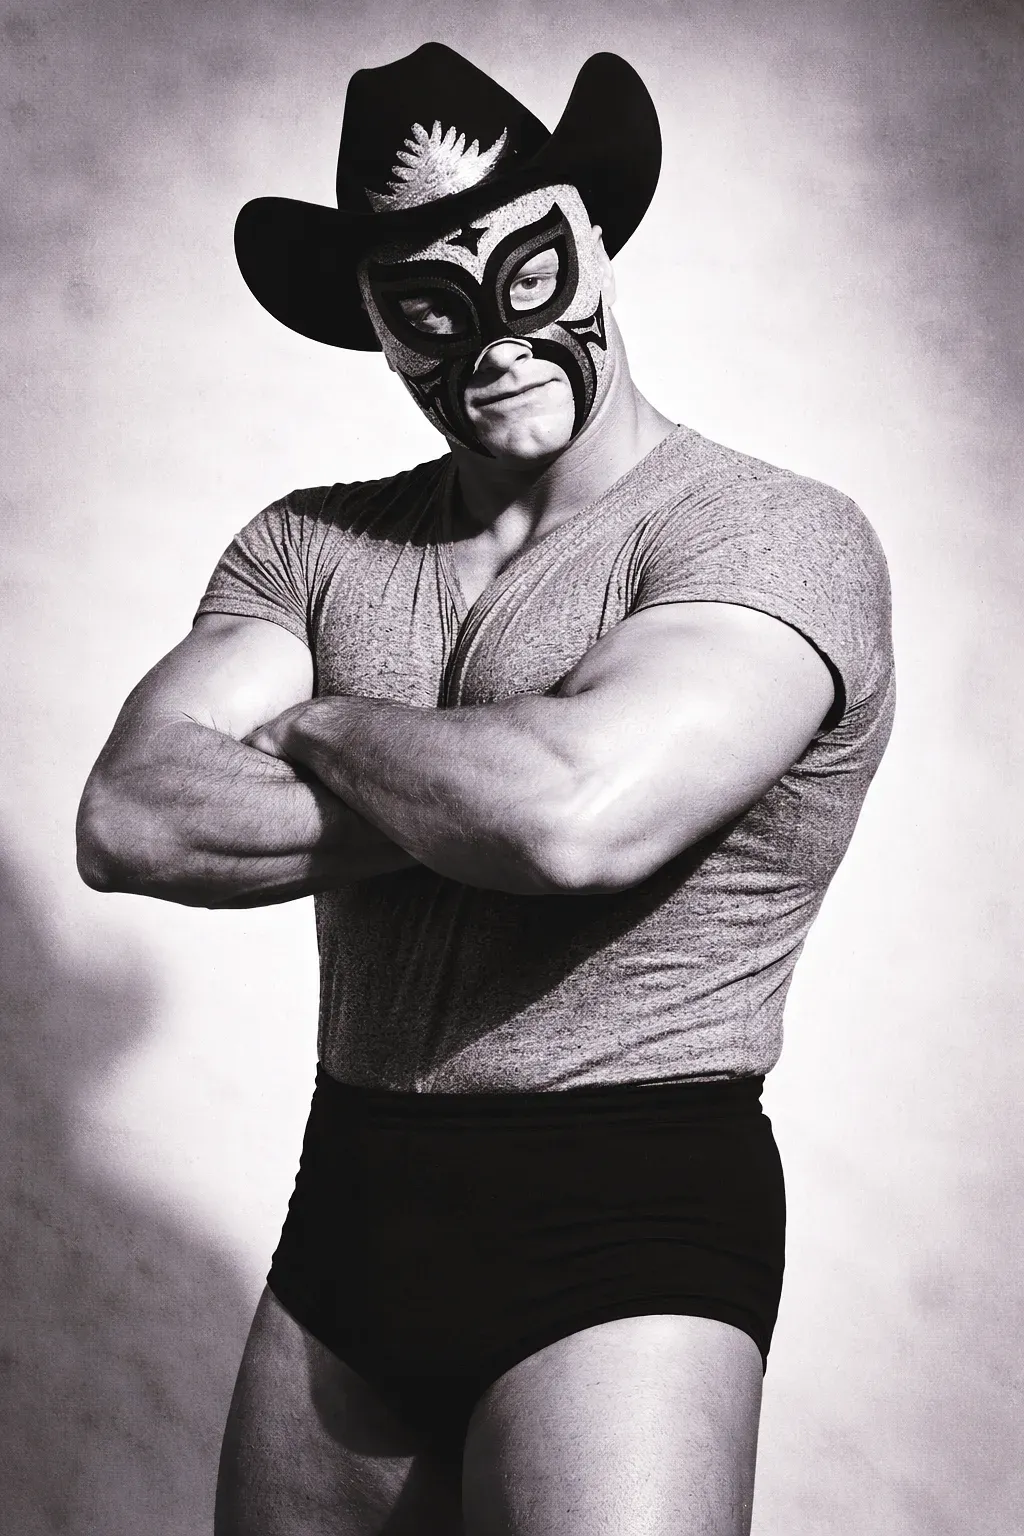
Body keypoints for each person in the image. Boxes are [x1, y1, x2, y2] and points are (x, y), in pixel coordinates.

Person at [76, 42, 895, 1536]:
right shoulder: (307, 547)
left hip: (625, 1216)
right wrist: (466, 780)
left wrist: (316, 718)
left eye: (524, 272)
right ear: (377, 329)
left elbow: (570, 821)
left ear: (593, 241)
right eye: (430, 307)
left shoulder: (770, 535)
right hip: (356, 1206)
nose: (495, 343)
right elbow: (132, 814)